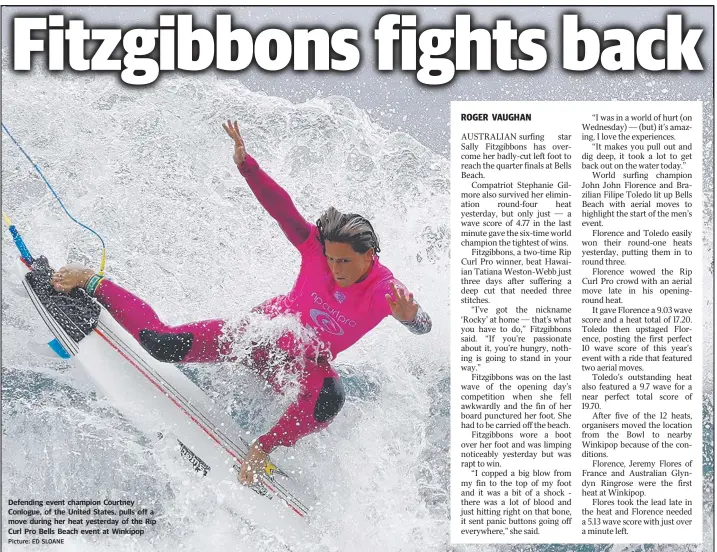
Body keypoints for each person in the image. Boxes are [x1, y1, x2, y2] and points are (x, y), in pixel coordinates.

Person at [51, 120, 432, 486]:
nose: (334, 268)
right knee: (161, 344)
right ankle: (93, 281)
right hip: (261, 335)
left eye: (344, 261)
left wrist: (411, 318)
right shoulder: (316, 249)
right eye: (330, 259)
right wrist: (247, 166)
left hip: (300, 363)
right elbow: (283, 210)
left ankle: (262, 449)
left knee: (330, 399)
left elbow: (424, 325)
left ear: (370, 256)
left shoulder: (387, 290)